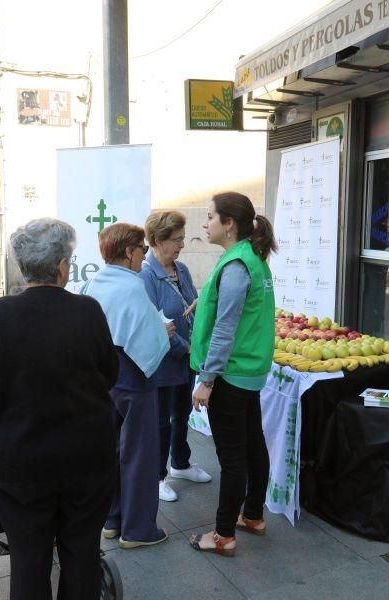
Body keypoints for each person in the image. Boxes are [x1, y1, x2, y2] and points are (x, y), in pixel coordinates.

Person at [0, 218, 119, 600]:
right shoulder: (88, 310)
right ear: (62, 265)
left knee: (28, 559)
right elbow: (108, 374)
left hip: (22, 459)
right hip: (86, 457)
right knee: (82, 553)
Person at [188, 192, 277, 557]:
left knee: (233, 457)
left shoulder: (238, 265)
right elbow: (230, 305)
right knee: (253, 444)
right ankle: (253, 515)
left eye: (209, 217)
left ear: (229, 224)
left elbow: (225, 329)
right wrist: (203, 299)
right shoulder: (249, 259)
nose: (203, 223)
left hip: (231, 374)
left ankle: (223, 535)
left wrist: (207, 381)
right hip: (248, 370)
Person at [81, 222, 174, 548]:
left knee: (110, 452)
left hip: (103, 381)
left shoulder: (94, 282)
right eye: (143, 249)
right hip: (134, 381)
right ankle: (137, 530)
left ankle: (112, 519)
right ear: (129, 252)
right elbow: (147, 339)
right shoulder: (132, 286)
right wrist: (165, 332)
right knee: (140, 456)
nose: (144, 256)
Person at [139, 211, 211, 502]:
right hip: (165, 360)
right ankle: (157, 476)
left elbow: (191, 305)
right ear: (158, 240)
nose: (182, 244)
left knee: (183, 414)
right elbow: (156, 323)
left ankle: (180, 463)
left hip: (186, 359)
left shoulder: (180, 269)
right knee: (161, 421)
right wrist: (187, 347)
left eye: (182, 238)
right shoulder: (146, 275)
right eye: (177, 239)